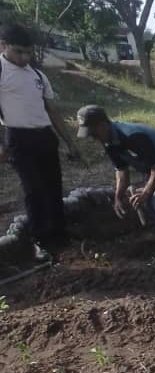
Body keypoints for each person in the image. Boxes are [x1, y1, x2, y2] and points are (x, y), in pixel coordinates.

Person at [0, 24, 81, 255]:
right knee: (33, 190)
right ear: (3, 46)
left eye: (29, 52)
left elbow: (52, 110)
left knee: (53, 187)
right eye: (19, 52)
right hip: (18, 138)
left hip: (45, 136)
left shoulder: (37, 75)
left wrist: (69, 141)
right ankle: (40, 240)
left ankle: (59, 233)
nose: (25, 57)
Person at [76, 104, 155, 260]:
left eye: (93, 133)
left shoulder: (132, 136)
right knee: (150, 202)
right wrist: (118, 197)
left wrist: (146, 190)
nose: (93, 138)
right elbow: (122, 171)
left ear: (103, 125)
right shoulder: (109, 141)